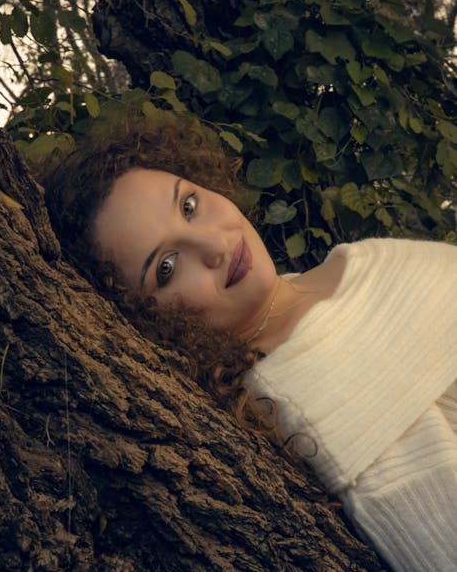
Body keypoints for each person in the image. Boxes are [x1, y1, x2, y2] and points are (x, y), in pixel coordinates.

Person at [44, 112, 457, 572]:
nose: (213, 246)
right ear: (146, 321)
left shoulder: (343, 267)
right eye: (166, 267)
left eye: (188, 206)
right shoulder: (302, 397)